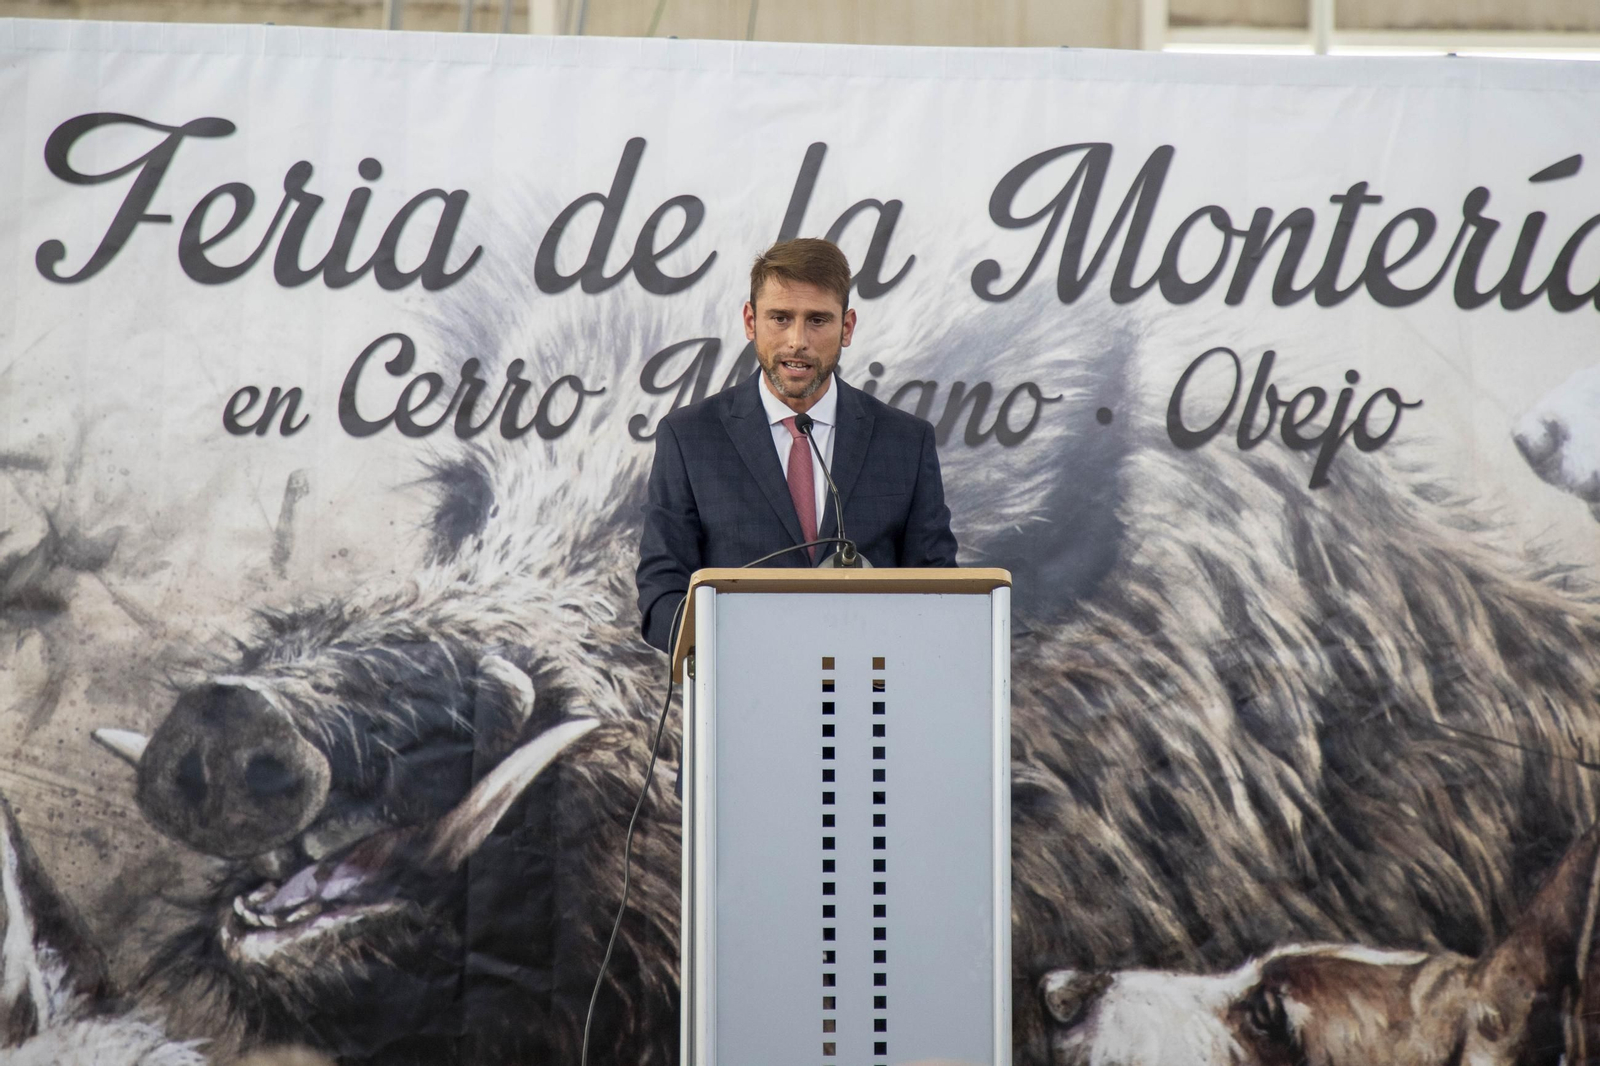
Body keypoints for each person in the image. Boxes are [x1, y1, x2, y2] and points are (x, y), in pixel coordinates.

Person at [635, 237, 958, 654]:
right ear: (751, 321)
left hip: (871, 697)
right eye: (780, 318)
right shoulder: (690, 438)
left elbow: (940, 592)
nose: (797, 340)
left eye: (818, 320)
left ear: (847, 327)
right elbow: (662, 596)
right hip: (742, 697)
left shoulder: (905, 442)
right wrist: (736, 647)